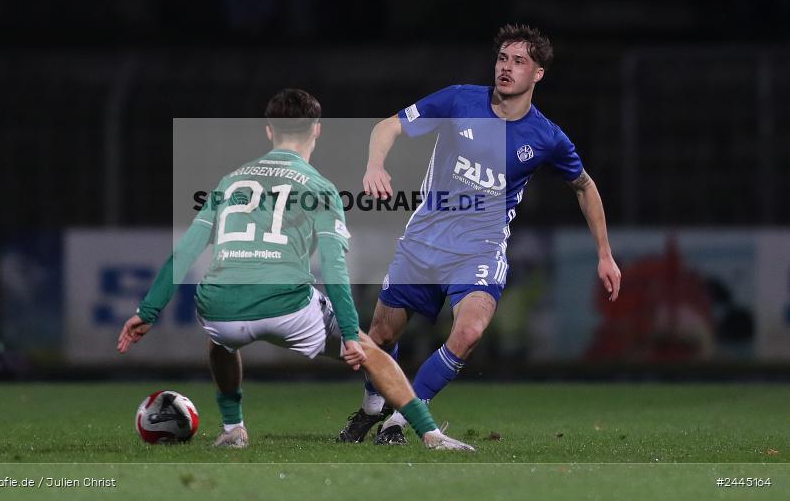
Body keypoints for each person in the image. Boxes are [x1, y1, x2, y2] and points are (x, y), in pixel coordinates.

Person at [117, 88, 474, 451]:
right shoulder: (321, 188)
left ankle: (233, 429)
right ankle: (431, 434)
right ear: (317, 129)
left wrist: (147, 311)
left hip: (218, 308)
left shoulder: (231, 181)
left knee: (221, 341)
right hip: (288, 306)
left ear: (269, 131)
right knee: (374, 354)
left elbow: (184, 252)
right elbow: (334, 269)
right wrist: (351, 333)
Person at [337, 24, 622, 444]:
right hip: (424, 242)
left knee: (469, 333)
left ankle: (402, 420)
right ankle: (371, 409)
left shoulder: (546, 137)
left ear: (538, 74)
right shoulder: (460, 99)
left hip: (480, 249)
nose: (506, 68)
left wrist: (604, 253)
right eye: (502, 59)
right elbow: (389, 125)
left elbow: (584, 185)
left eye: (519, 61)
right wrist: (375, 165)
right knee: (380, 336)